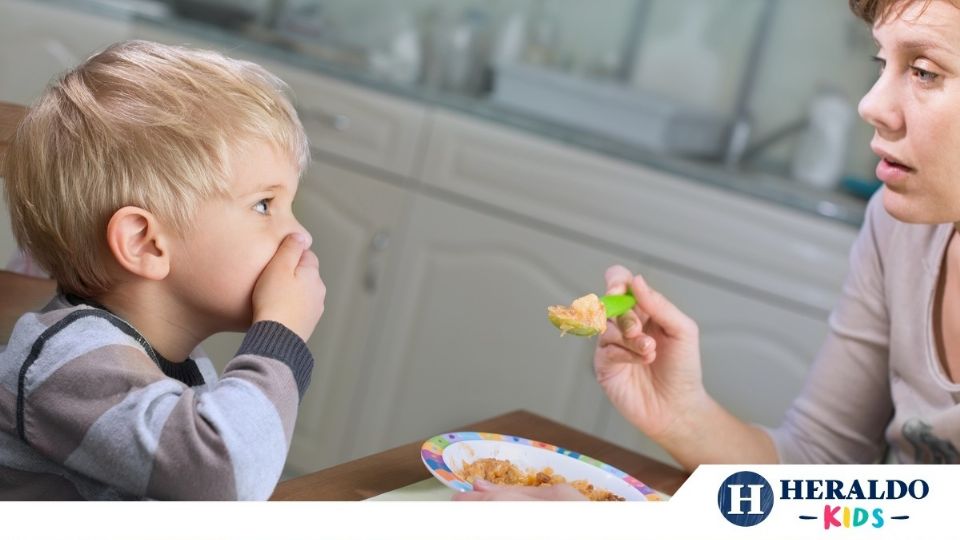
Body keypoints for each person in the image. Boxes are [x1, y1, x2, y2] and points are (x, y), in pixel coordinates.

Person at [456, 0, 960, 501]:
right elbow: (818, 471)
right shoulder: (896, 229)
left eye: (923, 71)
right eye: (883, 63)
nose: (871, 105)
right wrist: (682, 413)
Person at [0, 40, 325, 500]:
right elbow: (223, 475)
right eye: (264, 204)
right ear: (145, 244)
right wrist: (281, 335)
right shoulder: (72, 363)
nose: (300, 236)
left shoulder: (175, 361)